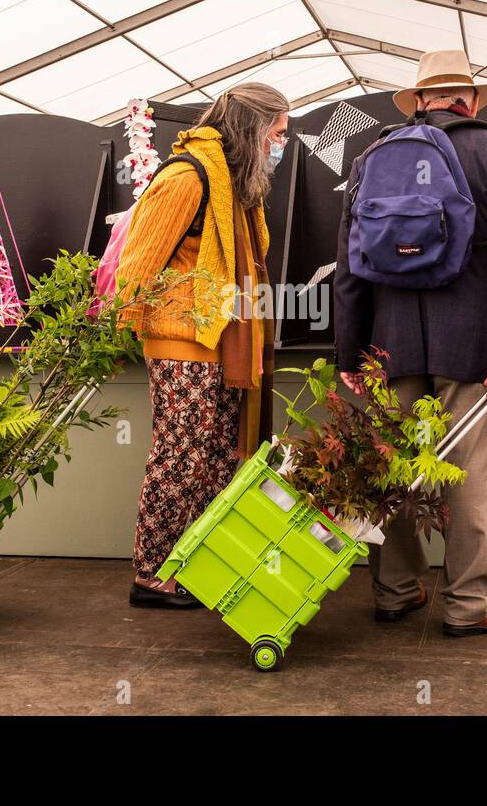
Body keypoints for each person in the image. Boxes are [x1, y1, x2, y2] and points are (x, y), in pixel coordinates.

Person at [335, 49, 487, 636]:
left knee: (393, 468)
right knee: (469, 470)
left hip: (387, 344)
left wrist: (350, 354)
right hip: (473, 343)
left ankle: (395, 591)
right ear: (471, 99)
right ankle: (470, 604)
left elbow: (349, 265)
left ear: (419, 100)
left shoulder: (370, 157)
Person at [116, 83, 290, 608]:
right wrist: (130, 325)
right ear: (252, 129)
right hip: (181, 340)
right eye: (277, 134)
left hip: (221, 340)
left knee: (216, 456)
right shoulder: (186, 177)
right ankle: (150, 575)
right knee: (179, 456)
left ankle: (193, 561)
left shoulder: (234, 186)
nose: (281, 144)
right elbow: (137, 264)